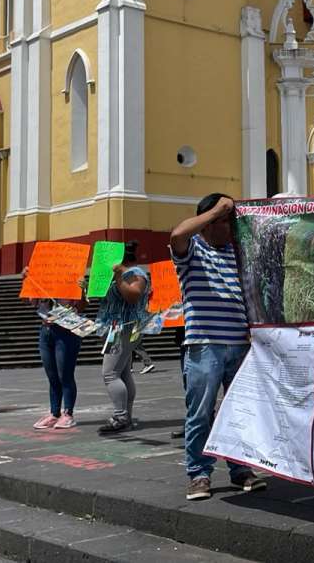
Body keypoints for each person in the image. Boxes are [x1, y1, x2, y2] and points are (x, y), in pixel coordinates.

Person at [171, 193, 266, 500]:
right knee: (200, 412)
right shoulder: (192, 250)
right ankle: (199, 473)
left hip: (238, 344)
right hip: (204, 344)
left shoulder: (238, 253)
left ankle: (241, 470)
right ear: (209, 222)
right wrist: (217, 210)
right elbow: (178, 234)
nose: (229, 228)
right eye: (224, 221)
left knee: (240, 411)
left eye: (230, 221)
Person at [96, 241, 152, 434]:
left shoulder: (136, 273)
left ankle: (120, 416)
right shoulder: (116, 276)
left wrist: (119, 277)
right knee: (122, 372)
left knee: (110, 373)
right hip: (114, 328)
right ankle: (125, 416)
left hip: (125, 328)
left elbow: (134, 295)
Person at [25, 267, 85, 429]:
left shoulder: (73, 281)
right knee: (52, 376)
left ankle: (68, 414)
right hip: (46, 330)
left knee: (64, 374)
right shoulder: (44, 280)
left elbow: (81, 307)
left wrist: (82, 288)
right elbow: (32, 302)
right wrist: (28, 281)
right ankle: (54, 413)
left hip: (66, 332)